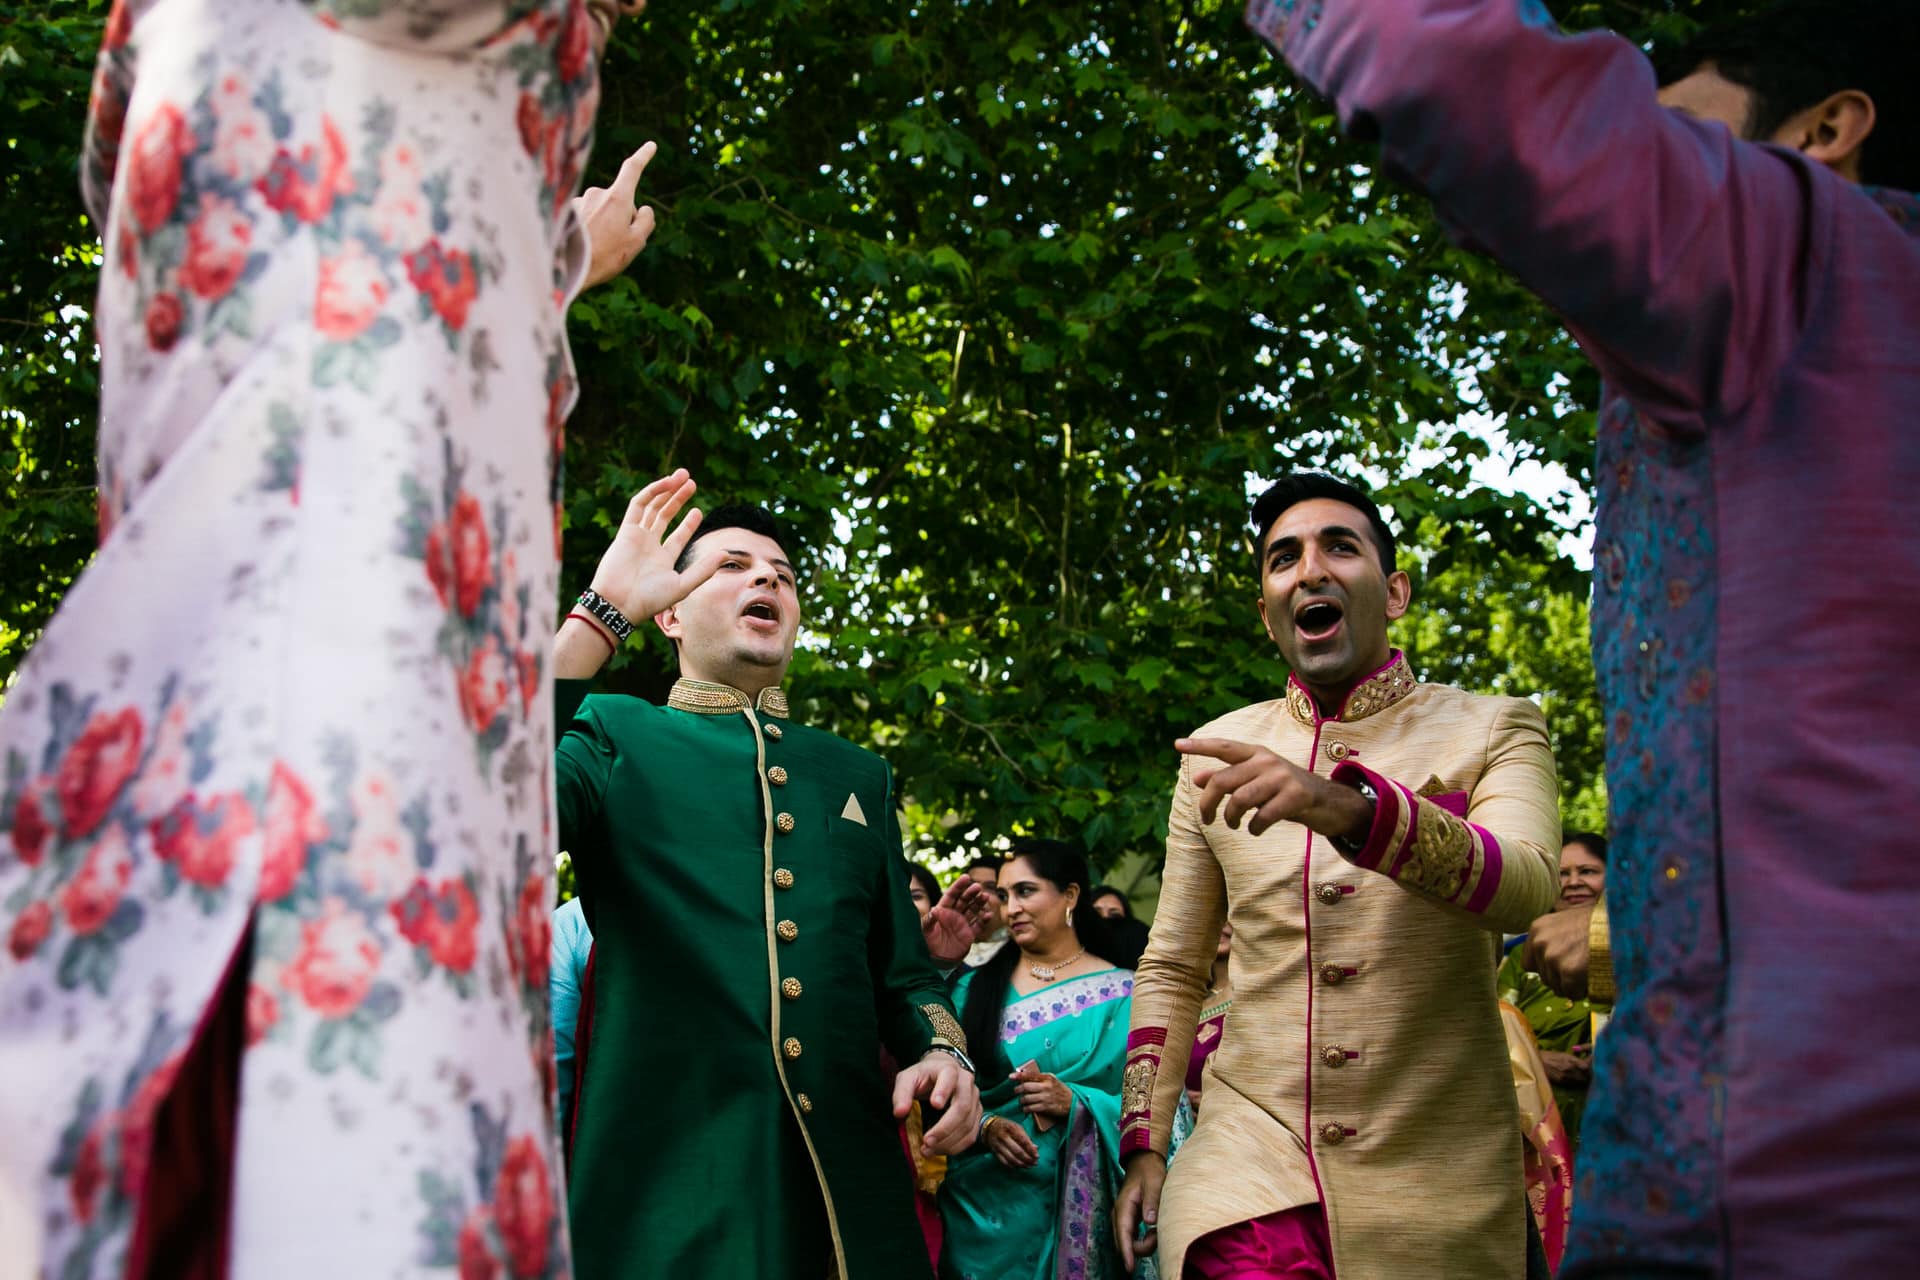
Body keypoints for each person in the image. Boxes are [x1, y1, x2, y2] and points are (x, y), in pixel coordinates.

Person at [1242, 2, 1920, 1273]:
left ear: (1827, 132)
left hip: (1793, 1169)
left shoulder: (1794, 260)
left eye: (1668, 121)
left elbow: (1450, 65)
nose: (1638, 152)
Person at [0, 3, 649, 1276]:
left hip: (331, 577)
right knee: (309, 1060)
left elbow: (350, 206)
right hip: (336, 589)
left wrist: (561, 252)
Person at [1114, 474, 1560, 1279]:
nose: (1310, 570)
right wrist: (1144, 1145)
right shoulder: (1214, 752)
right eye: (1284, 558)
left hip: (1439, 1170)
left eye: (1338, 547)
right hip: (1249, 1157)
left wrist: (1355, 811)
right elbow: (1174, 967)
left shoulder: (1496, 724)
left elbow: (1528, 885)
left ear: (1393, 593)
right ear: (1267, 612)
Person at [551, 473, 981, 1279]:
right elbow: (496, 805)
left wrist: (944, 1055)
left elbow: (906, 978)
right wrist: (600, 615)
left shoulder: (856, 773)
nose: (766, 581)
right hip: (668, 1186)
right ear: (669, 612)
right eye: (734, 566)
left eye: (782, 577)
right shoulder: (615, 733)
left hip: (848, 1199)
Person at [939, 839, 1134, 1280]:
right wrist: (986, 1126)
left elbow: (1161, 1110)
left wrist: (1078, 1103)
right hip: (981, 1208)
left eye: (1026, 891)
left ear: (1069, 896)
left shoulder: (1126, 993)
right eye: (1005, 896)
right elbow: (942, 1086)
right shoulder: (974, 989)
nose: (1013, 909)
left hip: (1077, 1210)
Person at [1498, 835, 1609, 1144]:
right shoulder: (1518, 957)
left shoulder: (1637, 950)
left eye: (1587, 871)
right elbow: (1492, 1024)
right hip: (1536, 1120)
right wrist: (1538, 1059)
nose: (1573, 882)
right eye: (1562, 874)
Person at [963, 856, 1011, 967]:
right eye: (970, 886)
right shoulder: (939, 951)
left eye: (991, 888)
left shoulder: (1025, 954)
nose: (978, 894)